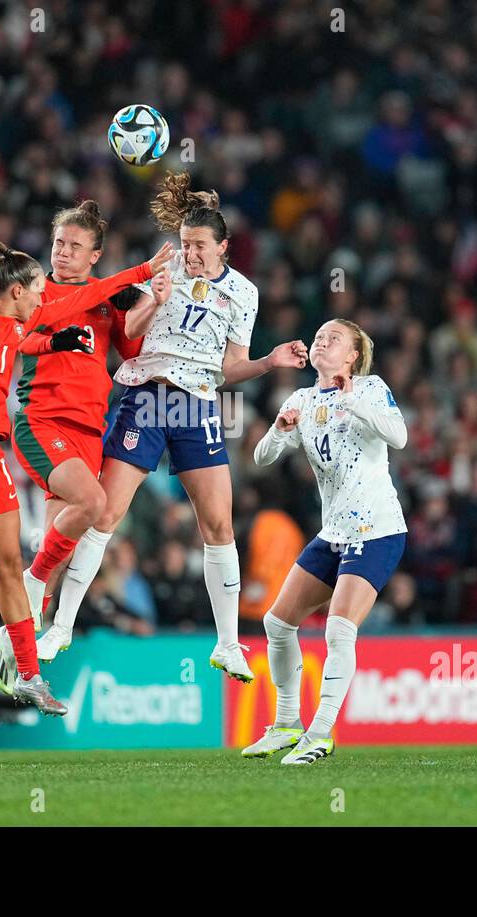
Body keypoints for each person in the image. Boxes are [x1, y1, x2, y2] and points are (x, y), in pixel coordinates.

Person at [34, 172, 308, 681]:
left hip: (198, 405)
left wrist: (269, 362)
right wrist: (155, 297)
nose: (191, 254)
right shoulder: (163, 270)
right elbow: (128, 335)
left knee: (218, 524)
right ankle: (62, 625)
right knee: (106, 513)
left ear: (223, 246)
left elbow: (230, 367)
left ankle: (228, 644)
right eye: (185, 244)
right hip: (145, 396)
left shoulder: (244, 294)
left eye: (200, 246)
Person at [0, 216, 171, 719]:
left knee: (13, 567)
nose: (44, 297)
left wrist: (58, 342)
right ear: (20, 290)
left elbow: (42, 331)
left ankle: (28, 676)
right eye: (37, 291)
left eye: (73, 245)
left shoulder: (19, 323)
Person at [243, 319, 408, 764]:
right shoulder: (302, 399)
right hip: (333, 533)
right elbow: (260, 460)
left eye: (334, 338)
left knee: (339, 628)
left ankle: (320, 732)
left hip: (376, 529)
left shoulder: (370, 388)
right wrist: (279, 429)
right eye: (318, 336)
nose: (321, 341)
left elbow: (399, 436)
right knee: (277, 624)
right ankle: (285, 724)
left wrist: (353, 400)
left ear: (353, 355)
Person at [8, 200, 168, 634]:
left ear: (94, 256)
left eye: (74, 246)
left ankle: (20, 648)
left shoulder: (108, 298)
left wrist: (153, 304)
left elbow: (130, 350)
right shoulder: (33, 291)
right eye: (59, 242)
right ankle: (30, 582)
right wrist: (140, 274)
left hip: (88, 430)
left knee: (58, 548)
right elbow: (18, 339)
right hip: (42, 421)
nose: (62, 251)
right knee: (94, 504)